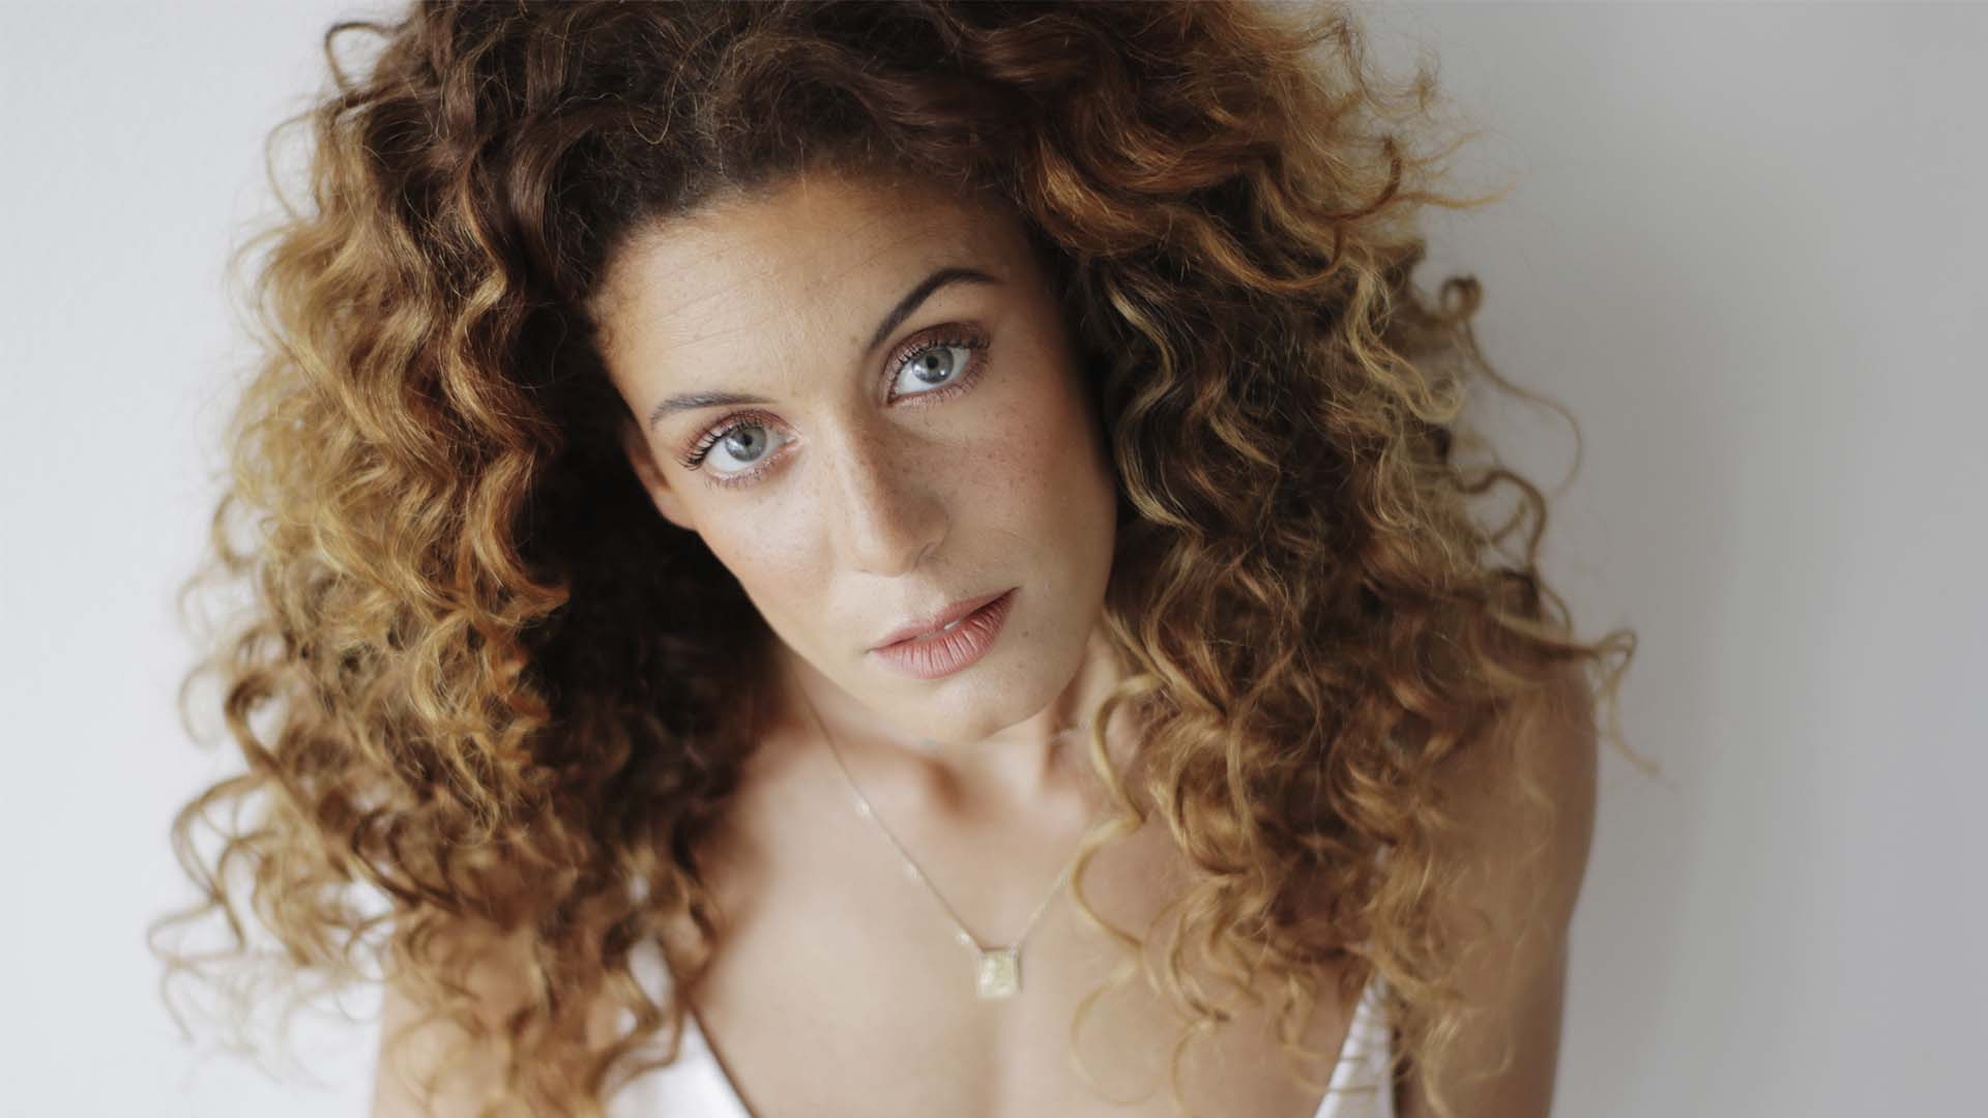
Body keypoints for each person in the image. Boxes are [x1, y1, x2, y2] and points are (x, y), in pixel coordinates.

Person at [152, 2, 1638, 1116]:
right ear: (654, 477)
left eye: (933, 362)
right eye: (742, 441)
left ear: (1097, 301)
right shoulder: (538, 859)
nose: (886, 535)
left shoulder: (1439, 750)